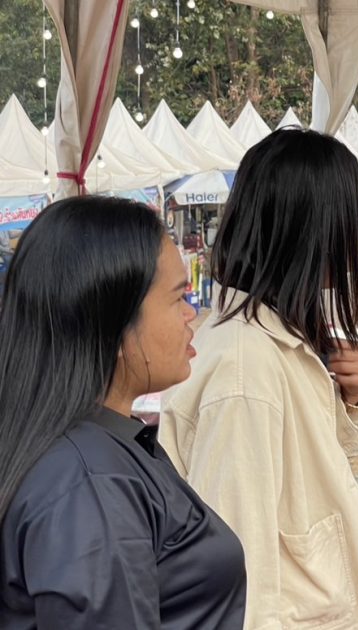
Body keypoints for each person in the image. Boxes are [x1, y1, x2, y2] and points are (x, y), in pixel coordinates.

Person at [158, 129, 358, 629]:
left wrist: (349, 398)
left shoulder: (268, 339)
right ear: (313, 232)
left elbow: (301, 469)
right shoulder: (244, 371)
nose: (355, 238)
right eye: (347, 218)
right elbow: (238, 565)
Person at [0, 197, 246, 628]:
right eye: (178, 296)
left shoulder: (93, 449)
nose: (191, 313)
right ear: (113, 321)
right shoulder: (90, 483)